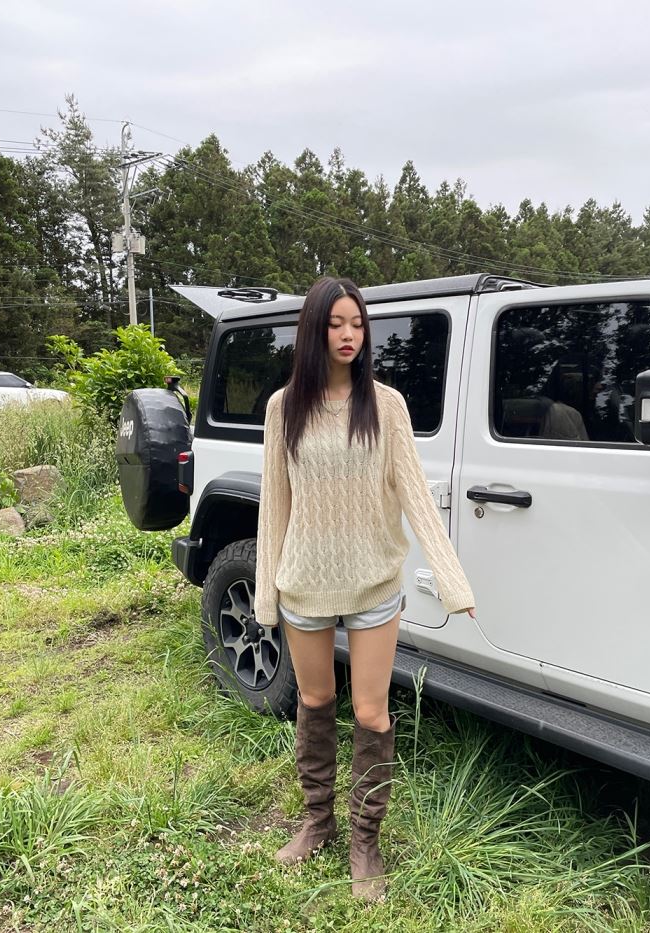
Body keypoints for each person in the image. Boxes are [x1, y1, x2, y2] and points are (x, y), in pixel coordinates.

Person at [254, 276, 476, 901]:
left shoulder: (387, 405)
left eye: (357, 323)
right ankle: (317, 821)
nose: (348, 335)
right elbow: (274, 506)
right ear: (314, 331)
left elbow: (416, 497)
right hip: (304, 584)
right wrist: (267, 596)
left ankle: (364, 839)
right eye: (335, 324)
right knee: (315, 701)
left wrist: (452, 579)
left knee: (371, 713)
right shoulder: (283, 408)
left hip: (375, 583)